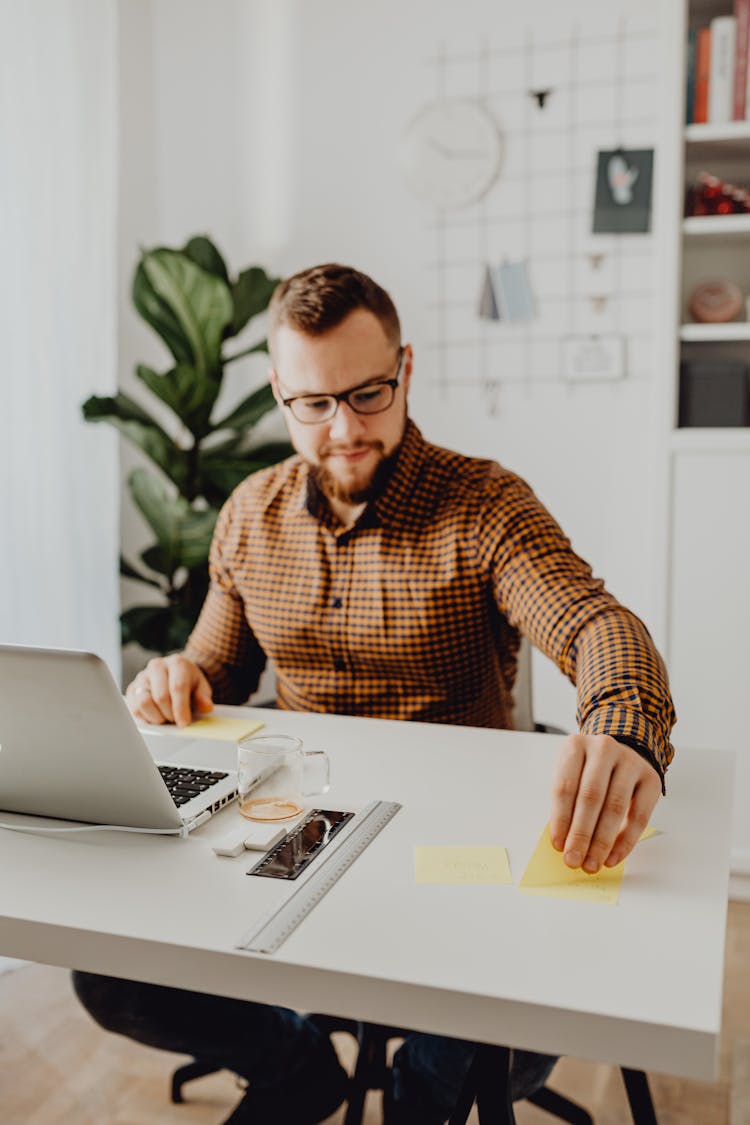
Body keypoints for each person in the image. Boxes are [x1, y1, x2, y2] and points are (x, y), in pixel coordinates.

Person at [74, 263, 675, 1125]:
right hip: (305, 833)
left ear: (406, 371)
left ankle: (416, 1099)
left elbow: (591, 622)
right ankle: (295, 1066)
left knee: (480, 1041)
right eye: (312, 404)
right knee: (110, 973)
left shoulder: (485, 503)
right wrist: (180, 677)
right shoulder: (250, 512)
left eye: (368, 393)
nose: (344, 428)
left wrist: (625, 726)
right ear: (280, 393)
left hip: (460, 853)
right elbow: (215, 669)